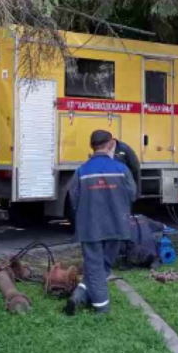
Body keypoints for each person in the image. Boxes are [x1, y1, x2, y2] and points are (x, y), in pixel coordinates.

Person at [66, 130, 137, 315]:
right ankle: (100, 307)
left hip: (90, 227)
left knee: (95, 265)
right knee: (103, 265)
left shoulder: (81, 171)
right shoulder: (122, 170)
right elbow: (132, 195)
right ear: (111, 144)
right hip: (117, 226)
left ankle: (83, 297)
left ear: (92, 146)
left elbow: (73, 200)